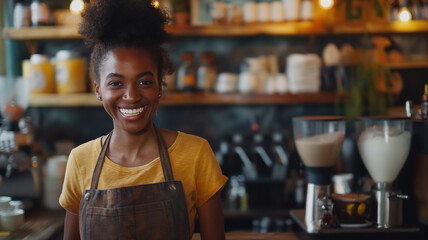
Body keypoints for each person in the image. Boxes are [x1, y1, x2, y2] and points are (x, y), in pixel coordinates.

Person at [59, 1, 228, 239]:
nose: (131, 96)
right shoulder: (80, 160)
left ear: (160, 85)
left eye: (144, 82)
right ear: (98, 89)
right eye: (116, 83)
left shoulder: (196, 154)